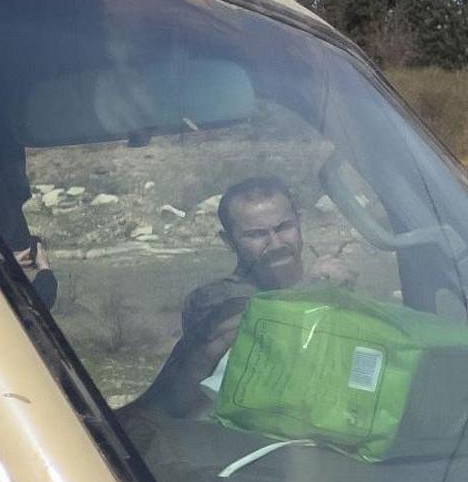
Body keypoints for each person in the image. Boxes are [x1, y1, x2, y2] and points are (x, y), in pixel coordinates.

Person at [130, 176, 336, 419]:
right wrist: (317, 288)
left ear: (299, 224)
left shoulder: (323, 286)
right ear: (229, 242)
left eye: (283, 228)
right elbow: (245, 323)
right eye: (257, 234)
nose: (276, 242)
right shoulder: (215, 299)